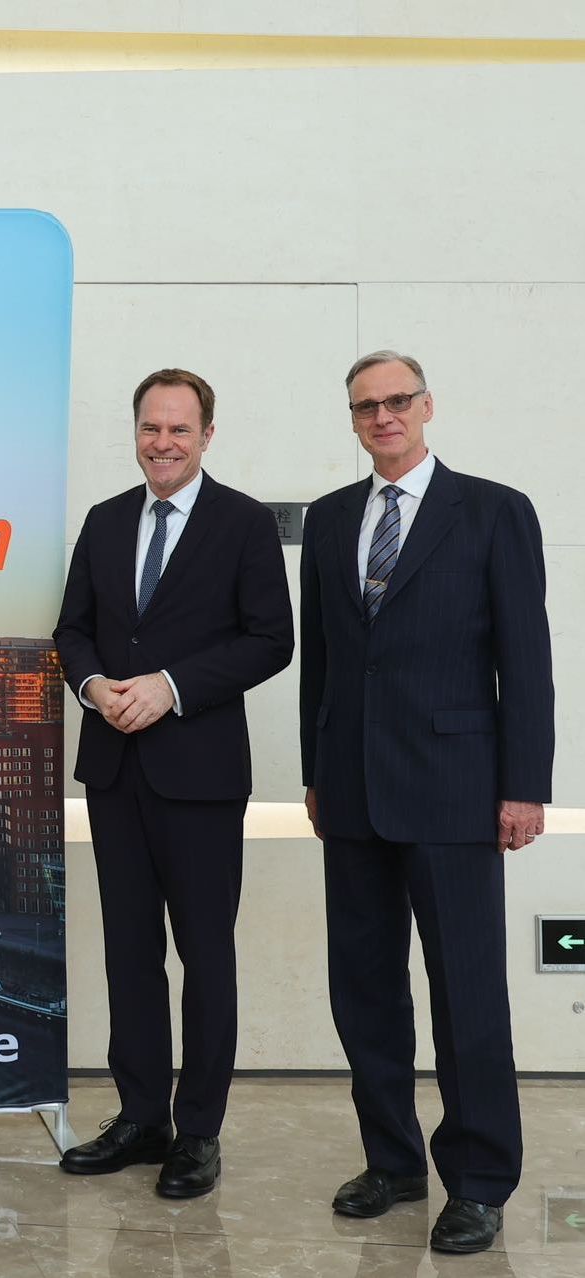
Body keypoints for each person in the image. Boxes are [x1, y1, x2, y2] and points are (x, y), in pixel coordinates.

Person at [300, 351, 551, 1254]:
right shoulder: (331, 521)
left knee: (468, 997)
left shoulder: (491, 511)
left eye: (396, 401)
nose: (382, 417)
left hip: (456, 792)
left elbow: (525, 661)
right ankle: (393, 1162)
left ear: (425, 406)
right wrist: (313, 772)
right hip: (353, 794)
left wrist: (524, 785)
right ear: (353, 419)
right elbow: (322, 661)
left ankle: (479, 1180)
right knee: (364, 992)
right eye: (365, 406)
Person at [54, 368, 293, 1197]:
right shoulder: (105, 519)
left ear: (206, 435)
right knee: (128, 954)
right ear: (135, 432)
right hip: (114, 771)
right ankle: (140, 1118)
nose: (162, 442)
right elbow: (71, 631)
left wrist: (169, 686)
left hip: (199, 775)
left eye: (178, 430)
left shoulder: (244, 524)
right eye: (150, 428)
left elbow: (271, 639)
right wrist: (93, 687)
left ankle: (197, 1133)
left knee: (204, 957)